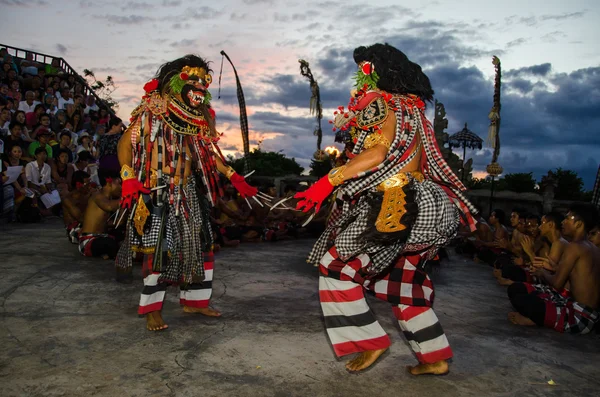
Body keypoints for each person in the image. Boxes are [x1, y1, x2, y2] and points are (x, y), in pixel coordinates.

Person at [297, 44, 477, 375]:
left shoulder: (385, 104)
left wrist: (329, 182)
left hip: (392, 204)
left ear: (380, 74)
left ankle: (369, 341)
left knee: (335, 266)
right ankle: (433, 357)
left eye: (365, 71)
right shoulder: (415, 111)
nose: (360, 80)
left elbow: (378, 153)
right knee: (404, 283)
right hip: (428, 206)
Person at [114, 54, 264, 330]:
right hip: (158, 190)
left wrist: (232, 175)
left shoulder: (197, 119)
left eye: (204, 81)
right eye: (193, 79)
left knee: (201, 246)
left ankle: (194, 302)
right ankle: (152, 310)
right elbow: (126, 143)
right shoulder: (155, 109)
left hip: (189, 192)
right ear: (176, 80)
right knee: (159, 251)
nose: (200, 86)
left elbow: (207, 154)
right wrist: (127, 176)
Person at [507, 204, 600, 334]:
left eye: (567, 219)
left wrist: (542, 272)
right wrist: (551, 267)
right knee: (523, 292)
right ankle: (541, 317)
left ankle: (536, 320)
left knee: (521, 299)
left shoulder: (575, 247)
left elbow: (557, 284)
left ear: (578, 224)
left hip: (580, 317)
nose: (563, 222)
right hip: (589, 314)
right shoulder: (593, 248)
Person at [496, 212, 567, 285]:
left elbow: (546, 274)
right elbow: (527, 259)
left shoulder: (557, 243)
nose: (539, 227)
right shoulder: (549, 240)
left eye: (542, 223)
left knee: (514, 284)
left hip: (546, 281)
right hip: (538, 274)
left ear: (550, 224)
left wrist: (529, 252)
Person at [78, 173, 121, 259]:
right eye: (119, 183)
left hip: (103, 236)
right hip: (88, 241)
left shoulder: (110, 199)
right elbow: (109, 206)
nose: (121, 187)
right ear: (109, 183)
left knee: (121, 235)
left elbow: (117, 223)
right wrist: (127, 197)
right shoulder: (97, 196)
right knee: (109, 244)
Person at [62, 170, 92, 244]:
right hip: (74, 230)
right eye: (87, 184)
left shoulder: (86, 195)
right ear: (79, 185)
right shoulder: (68, 199)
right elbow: (79, 217)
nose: (90, 187)